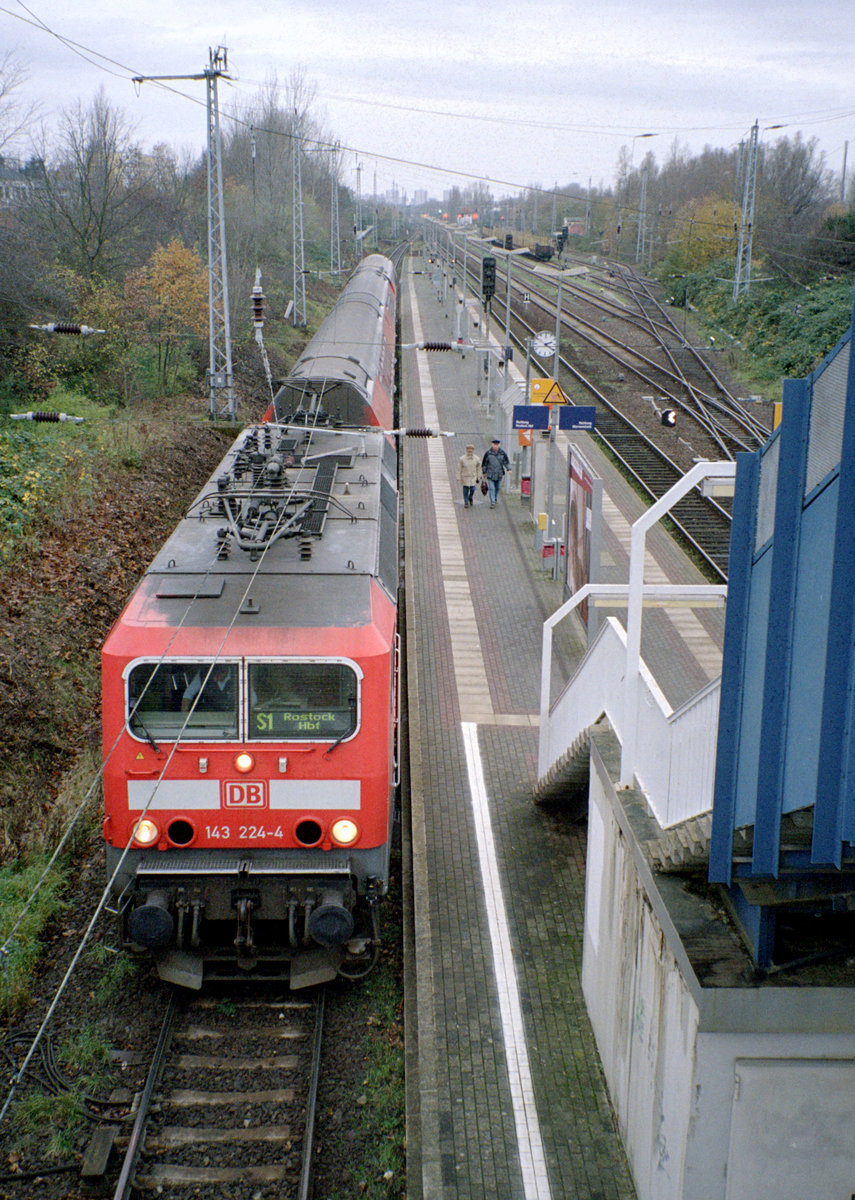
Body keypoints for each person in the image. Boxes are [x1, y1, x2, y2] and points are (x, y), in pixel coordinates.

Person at [481, 438, 510, 508]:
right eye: (494, 444)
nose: (495, 446)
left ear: (499, 445)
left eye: (497, 445)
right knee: (491, 488)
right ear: (492, 444)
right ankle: (492, 502)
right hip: (490, 474)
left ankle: (495, 497)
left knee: (497, 487)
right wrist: (484, 472)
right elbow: (484, 463)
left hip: (499, 474)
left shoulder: (502, 453)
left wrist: (509, 469)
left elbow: (506, 462)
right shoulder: (488, 453)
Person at [457, 443, 481, 508]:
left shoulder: (477, 459)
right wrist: (458, 477)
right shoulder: (462, 459)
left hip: (473, 476)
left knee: (473, 489)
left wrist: (479, 477)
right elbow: (459, 468)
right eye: (468, 451)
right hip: (465, 476)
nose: (469, 452)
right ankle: (466, 502)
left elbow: (479, 468)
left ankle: (470, 497)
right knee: (465, 489)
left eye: (471, 451)